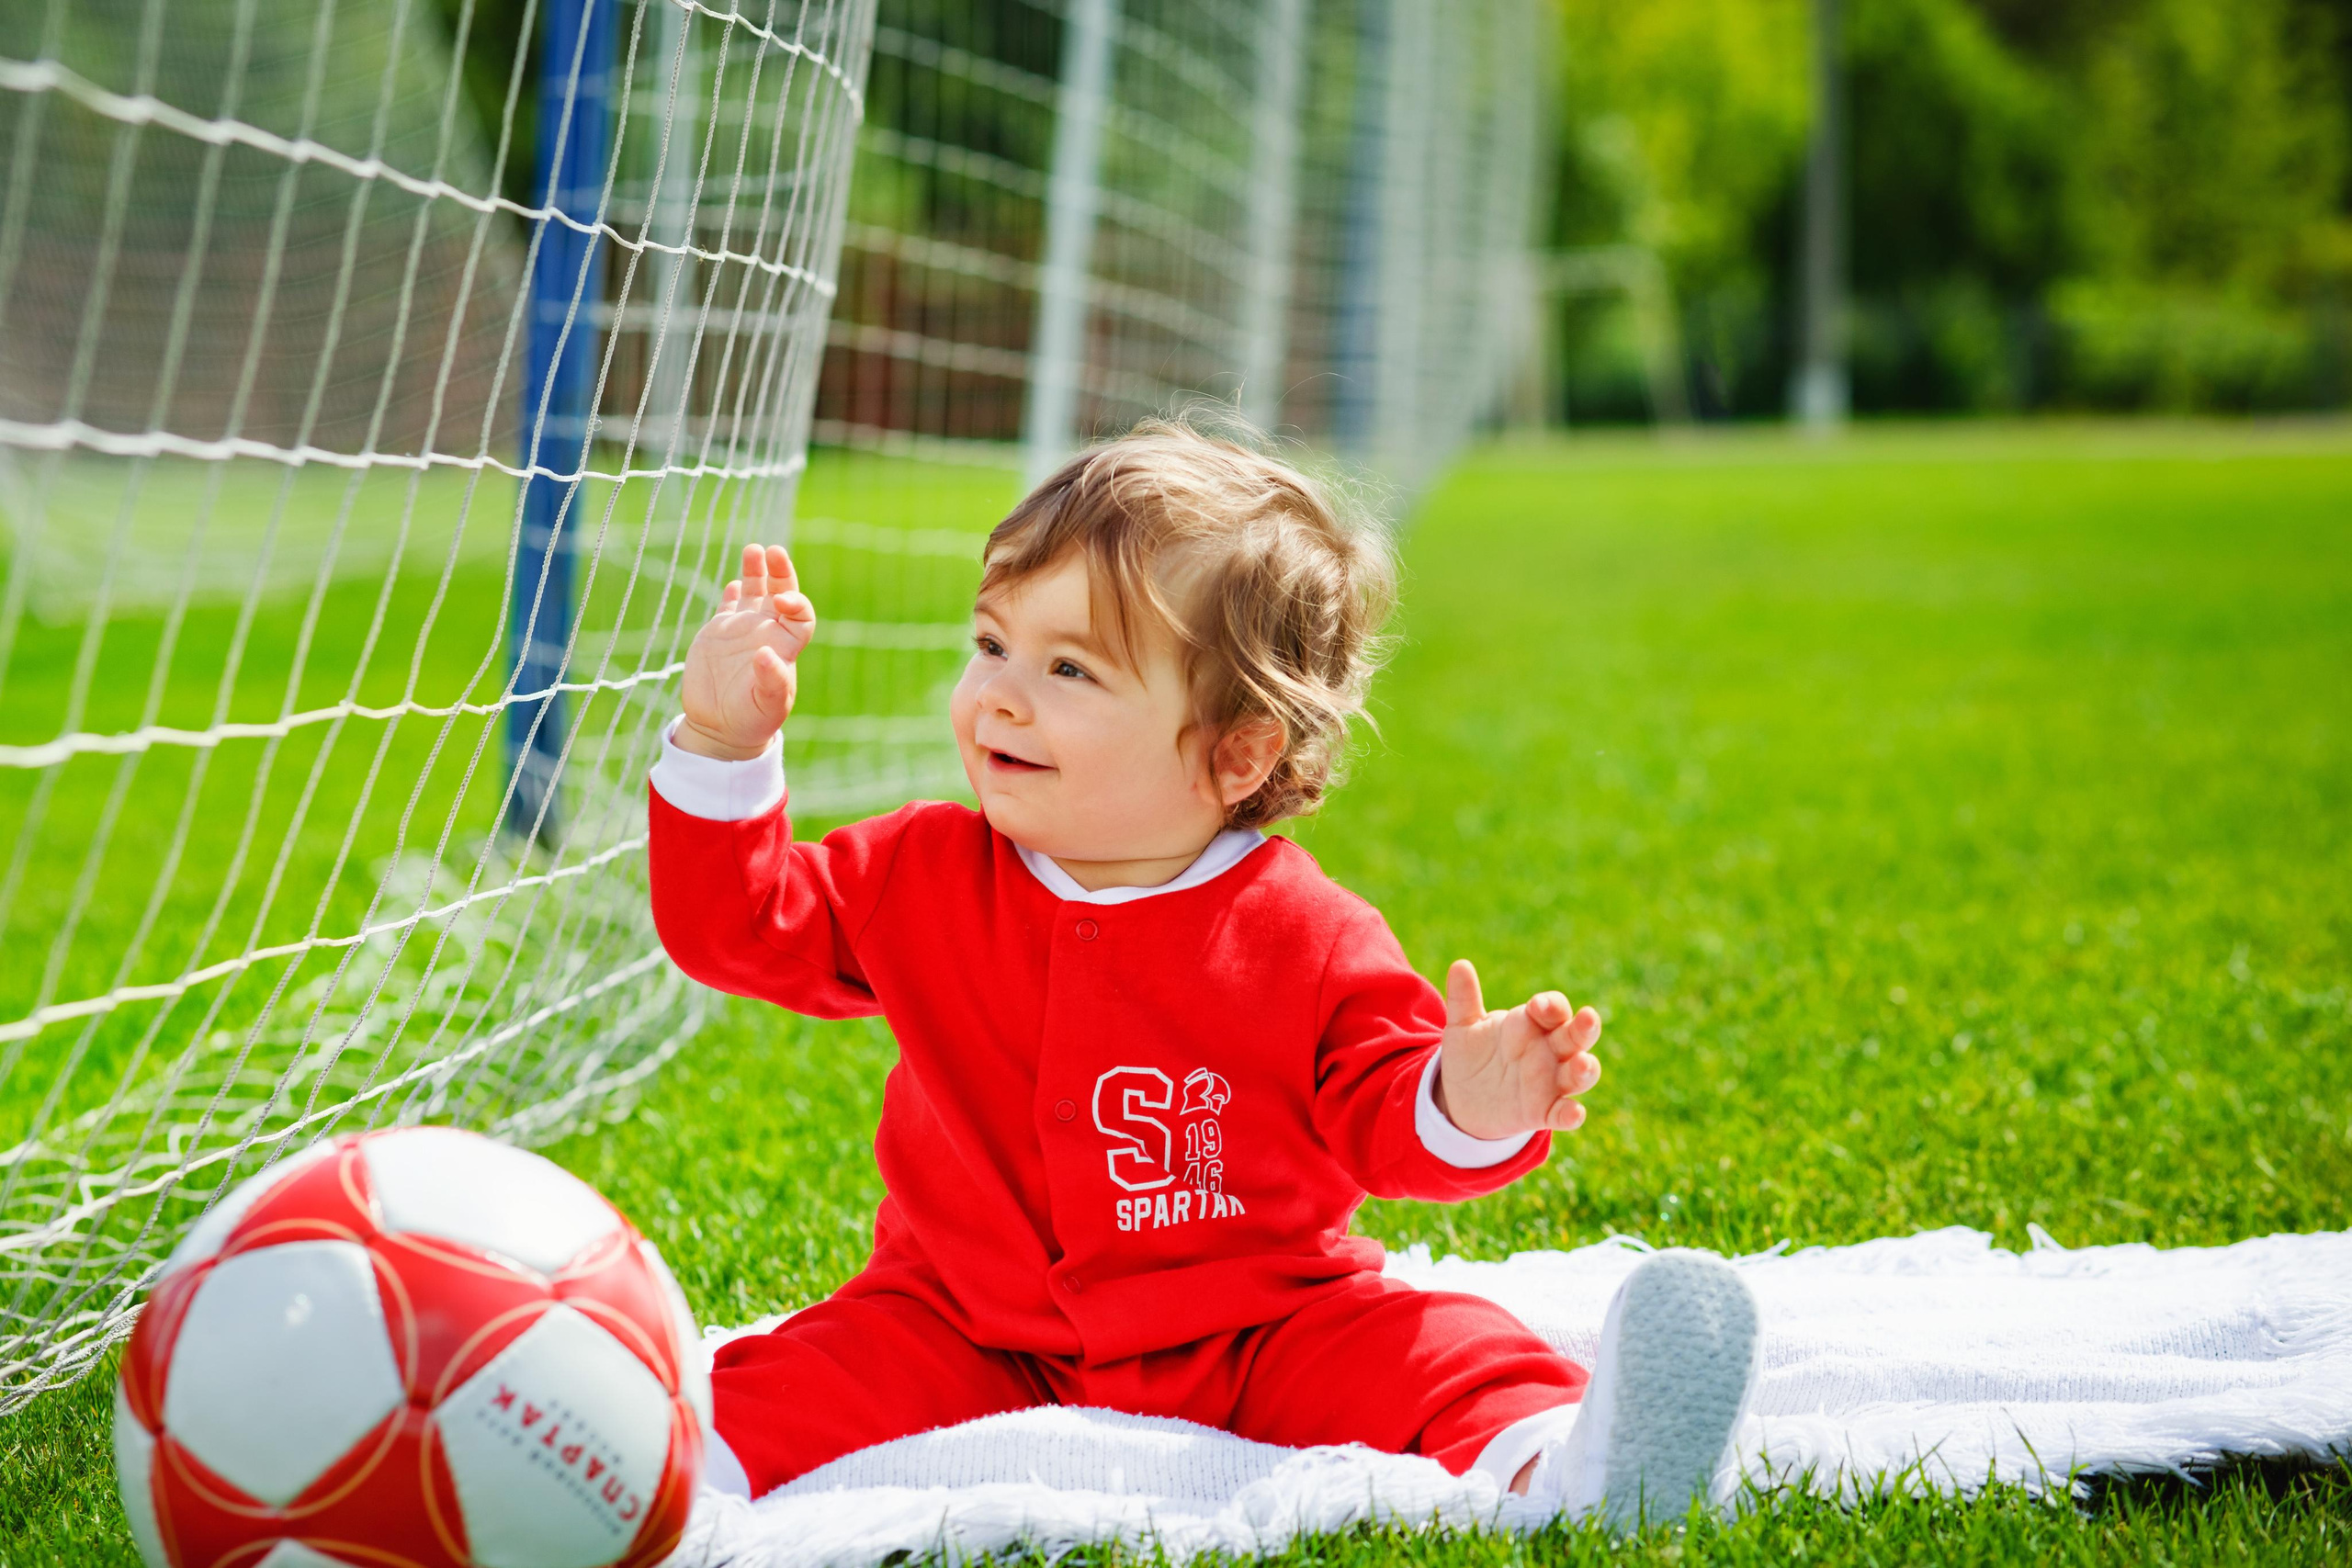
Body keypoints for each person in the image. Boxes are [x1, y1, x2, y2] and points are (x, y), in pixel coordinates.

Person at [647, 418, 1759, 1530]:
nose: (1000, 693)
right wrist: (721, 742)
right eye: (992, 644)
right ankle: (642, 1490)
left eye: (1069, 667)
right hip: (960, 1319)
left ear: (1236, 754)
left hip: (1258, 1324)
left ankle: (1573, 1463)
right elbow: (736, 928)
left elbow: (1382, 1109)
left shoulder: (1303, 930)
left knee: (1433, 1352)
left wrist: (1467, 1099)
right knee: (795, 1381)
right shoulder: (921, 871)